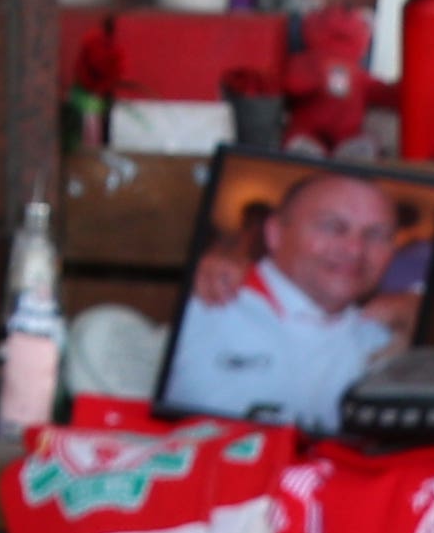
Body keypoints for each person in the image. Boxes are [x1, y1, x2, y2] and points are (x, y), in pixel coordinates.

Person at [164, 164, 416, 428]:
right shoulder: (203, 301)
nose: (355, 250)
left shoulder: (384, 340)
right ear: (275, 233)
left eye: (376, 235)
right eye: (332, 226)